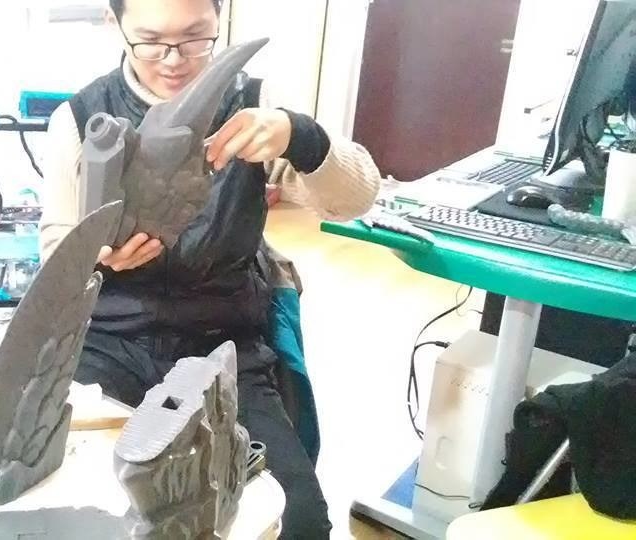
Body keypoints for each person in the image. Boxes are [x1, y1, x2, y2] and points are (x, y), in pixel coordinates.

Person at [39, 0, 382, 537]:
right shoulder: (81, 117)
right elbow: (55, 248)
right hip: (107, 341)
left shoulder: (255, 105)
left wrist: (301, 137)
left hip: (224, 345)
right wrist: (93, 257)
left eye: (196, 36)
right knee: (85, 505)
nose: (174, 60)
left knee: (299, 519)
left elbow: (356, 198)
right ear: (115, 24)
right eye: (151, 40)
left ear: (220, 20)